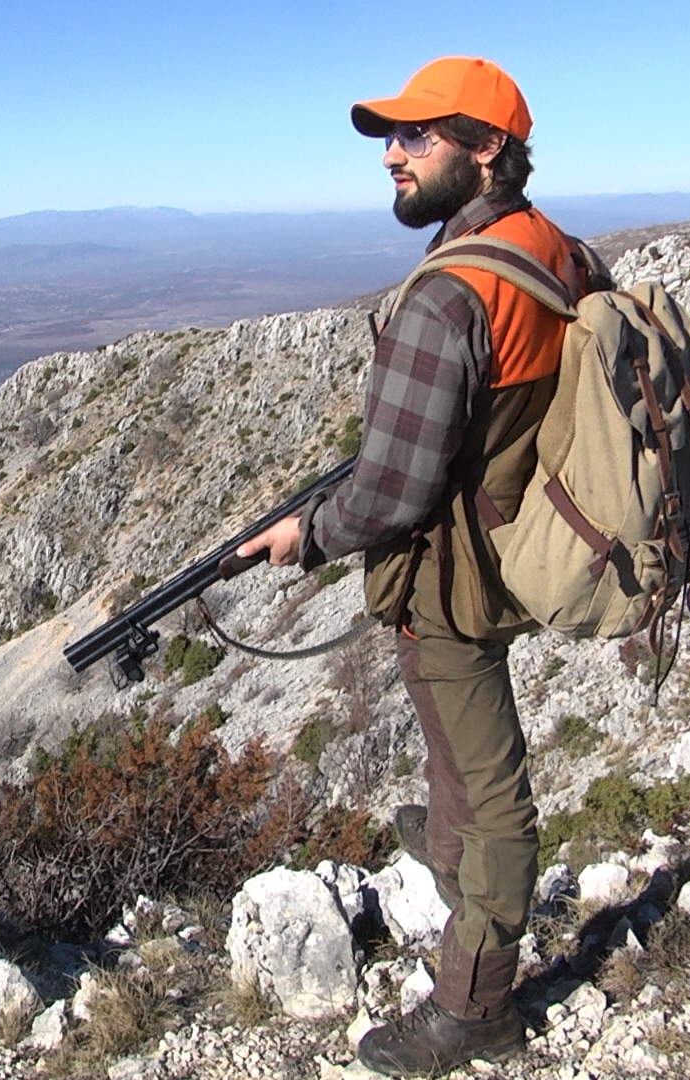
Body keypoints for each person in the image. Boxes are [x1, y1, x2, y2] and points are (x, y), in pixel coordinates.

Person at [237, 56, 608, 1076]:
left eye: (418, 136)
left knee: (494, 796)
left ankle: (476, 1001)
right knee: (457, 734)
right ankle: (447, 846)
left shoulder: (449, 295)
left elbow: (394, 494)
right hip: (530, 536)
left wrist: (303, 536)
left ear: (487, 148)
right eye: (391, 139)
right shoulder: (555, 253)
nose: (393, 157)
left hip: (459, 574)